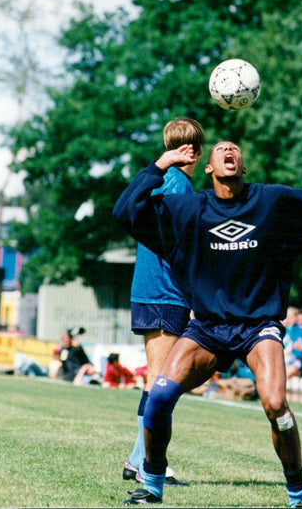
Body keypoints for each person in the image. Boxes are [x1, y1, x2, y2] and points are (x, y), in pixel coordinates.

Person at [113, 129, 302, 506]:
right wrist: (159, 165)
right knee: (159, 396)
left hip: (258, 327)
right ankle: (151, 486)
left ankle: (298, 495)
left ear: (243, 165)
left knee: (275, 405)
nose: (228, 151)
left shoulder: (272, 202)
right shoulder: (188, 211)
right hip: (206, 327)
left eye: (234, 149)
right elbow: (125, 212)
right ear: (208, 167)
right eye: (220, 149)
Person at [122, 117, 204, 488]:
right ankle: (149, 465)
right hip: (165, 292)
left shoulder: (161, 179)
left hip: (148, 289)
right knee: (161, 380)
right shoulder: (180, 185)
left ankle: (136, 459)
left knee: (157, 379)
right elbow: (182, 248)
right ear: (197, 153)